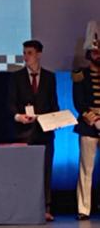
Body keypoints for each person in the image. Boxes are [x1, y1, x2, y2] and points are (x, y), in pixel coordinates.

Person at [8, 39, 59, 222]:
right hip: (24, 132)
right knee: (24, 172)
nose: (26, 57)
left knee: (45, 171)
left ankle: (45, 208)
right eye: (24, 53)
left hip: (45, 131)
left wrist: (57, 120)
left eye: (29, 53)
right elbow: (10, 105)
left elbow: (54, 104)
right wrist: (19, 117)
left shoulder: (50, 77)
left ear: (38, 54)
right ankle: (24, 208)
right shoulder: (16, 77)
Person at [73, 20, 100, 221]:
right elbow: (79, 102)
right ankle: (84, 208)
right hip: (88, 125)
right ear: (88, 54)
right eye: (94, 52)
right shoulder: (80, 75)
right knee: (86, 169)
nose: (97, 55)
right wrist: (92, 118)